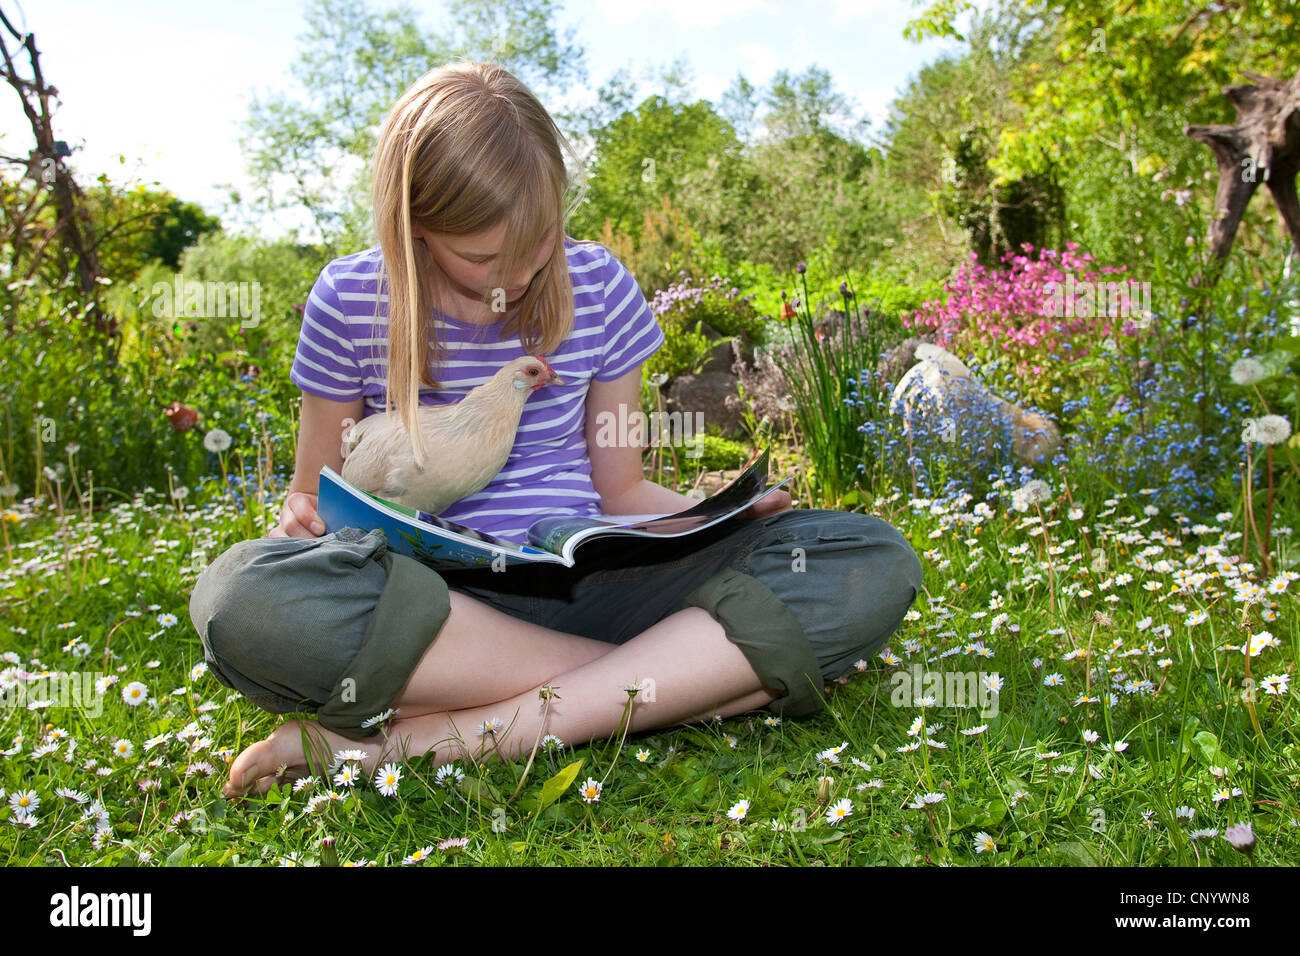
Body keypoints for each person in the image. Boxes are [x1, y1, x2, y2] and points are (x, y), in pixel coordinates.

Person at [188, 61, 923, 800]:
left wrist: (713, 520)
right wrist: (300, 522)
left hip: (597, 585)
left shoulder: (598, 285)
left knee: (867, 557)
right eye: (481, 256)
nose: (519, 271)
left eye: (541, 240)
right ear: (413, 226)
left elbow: (623, 488)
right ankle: (664, 679)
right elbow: (314, 499)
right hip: (438, 618)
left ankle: (426, 739)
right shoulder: (349, 299)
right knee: (241, 602)